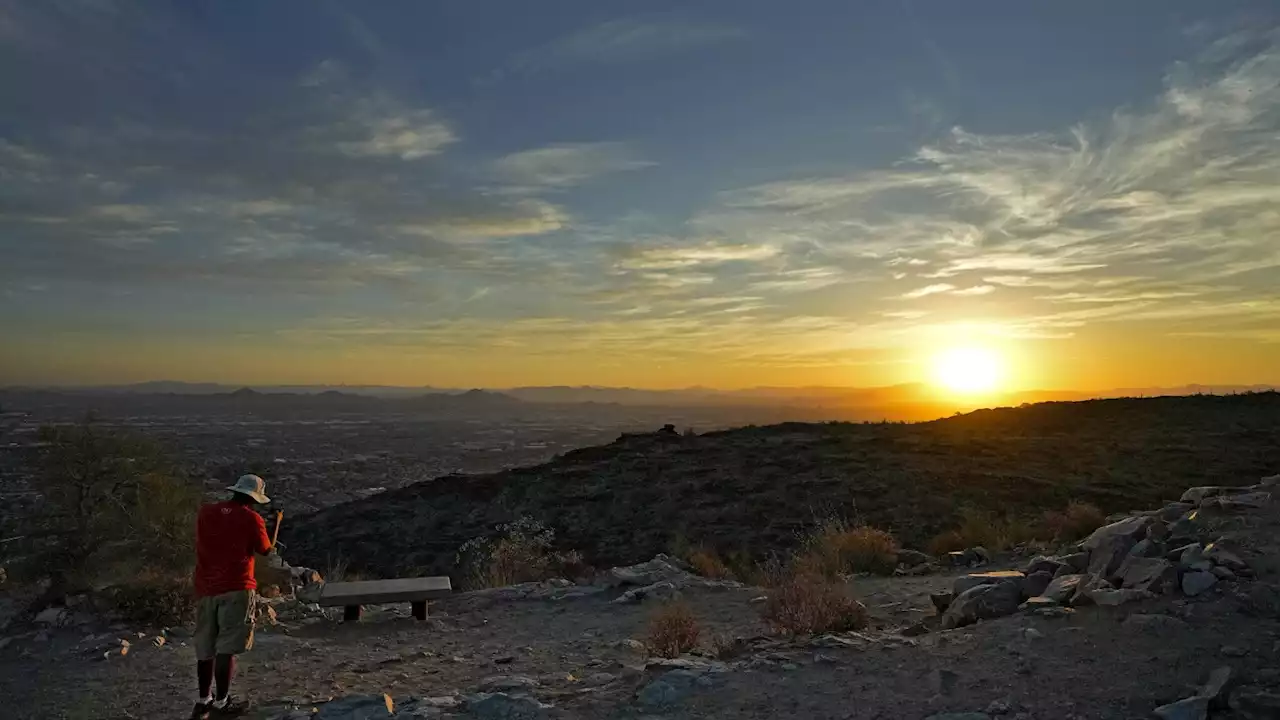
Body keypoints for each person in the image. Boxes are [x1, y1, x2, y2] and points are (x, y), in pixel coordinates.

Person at [191, 474, 275, 719]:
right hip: (237, 587)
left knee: (205, 647)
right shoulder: (252, 519)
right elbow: (265, 550)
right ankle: (221, 702)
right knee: (226, 648)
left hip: (206, 587)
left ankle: (203, 699)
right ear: (255, 498)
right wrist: (274, 524)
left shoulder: (206, 512)